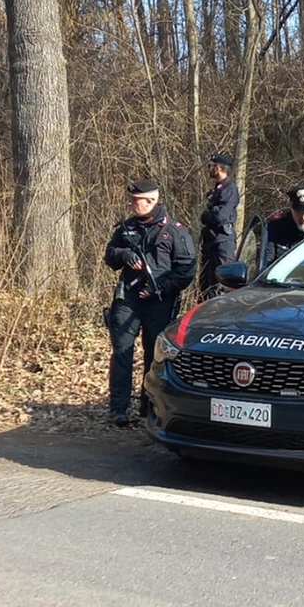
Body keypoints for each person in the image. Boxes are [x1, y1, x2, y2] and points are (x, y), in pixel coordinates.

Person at [103, 179, 197, 427]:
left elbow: (187, 269)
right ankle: (118, 409)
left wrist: (162, 289)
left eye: (137, 201)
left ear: (151, 201)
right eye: (131, 200)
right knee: (122, 350)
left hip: (159, 300)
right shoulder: (125, 228)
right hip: (128, 298)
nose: (132, 204)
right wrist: (124, 254)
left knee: (153, 354)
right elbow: (110, 257)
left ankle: (148, 405)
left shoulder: (175, 230)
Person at [198, 153, 239, 300]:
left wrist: (207, 215)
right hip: (211, 240)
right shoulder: (217, 189)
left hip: (222, 241)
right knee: (206, 283)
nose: (208, 169)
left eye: (210, 166)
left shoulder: (229, 189)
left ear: (218, 168)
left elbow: (220, 217)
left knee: (224, 280)